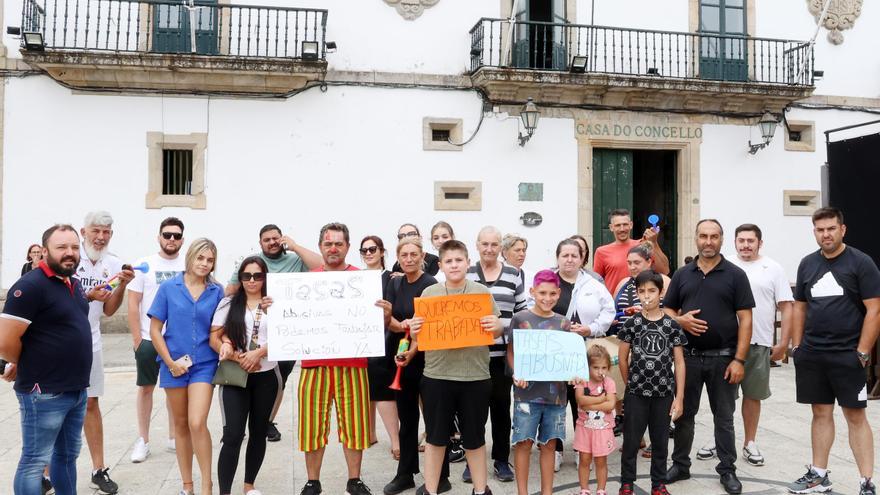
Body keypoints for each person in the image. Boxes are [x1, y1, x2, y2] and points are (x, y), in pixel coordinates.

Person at [787, 207, 880, 495]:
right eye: (820, 229)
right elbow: (800, 307)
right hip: (813, 354)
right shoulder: (807, 264)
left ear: (842, 229)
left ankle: (866, 482)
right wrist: (798, 345)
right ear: (815, 232)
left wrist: (863, 352)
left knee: (855, 416)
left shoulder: (861, 263)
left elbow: (874, 309)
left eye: (830, 228)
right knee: (820, 412)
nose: (825, 234)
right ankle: (818, 475)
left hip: (847, 354)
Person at [663, 219, 754, 495]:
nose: (708, 241)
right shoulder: (682, 274)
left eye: (714, 236)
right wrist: (681, 321)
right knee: (683, 415)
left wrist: (739, 360)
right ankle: (680, 464)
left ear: (722, 240)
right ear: (696, 238)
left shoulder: (735, 275)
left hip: (724, 359)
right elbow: (667, 311)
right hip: (687, 358)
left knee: (724, 418)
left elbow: (746, 319)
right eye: (703, 236)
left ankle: (727, 469)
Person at [298, 222, 388, 495]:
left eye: (339, 243)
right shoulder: (306, 281)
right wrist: (273, 307)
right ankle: (313, 481)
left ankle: (354, 480)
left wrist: (384, 315)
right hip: (315, 365)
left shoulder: (363, 281)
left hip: (353, 364)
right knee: (312, 425)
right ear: (320, 247)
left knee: (356, 425)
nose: (333, 248)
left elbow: (377, 324)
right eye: (328, 244)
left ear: (348, 247)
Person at [0, 225, 90, 495]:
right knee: (34, 462)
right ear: (45, 251)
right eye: (62, 247)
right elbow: (5, 341)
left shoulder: (72, 283)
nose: (70, 253)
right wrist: (23, 362)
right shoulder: (30, 286)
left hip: (75, 389)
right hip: (44, 392)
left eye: (74, 247)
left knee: (65, 457)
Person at [696, 224, 793, 466]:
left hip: (758, 342)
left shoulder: (773, 268)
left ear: (760, 243)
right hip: (726, 344)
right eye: (741, 240)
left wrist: (783, 343)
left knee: (752, 395)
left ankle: (750, 442)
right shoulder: (724, 265)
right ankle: (720, 440)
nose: (746, 245)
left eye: (751, 240)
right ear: (734, 242)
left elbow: (786, 306)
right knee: (721, 397)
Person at [412, 239, 503, 495]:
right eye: (448, 261)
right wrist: (414, 329)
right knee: (436, 438)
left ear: (467, 263)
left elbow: (497, 326)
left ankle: (480, 488)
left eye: (458, 260)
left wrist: (495, 325)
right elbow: (419, 336)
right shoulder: (430, 294)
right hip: (437, 375)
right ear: (440, 265)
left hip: (475, 376)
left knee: (474, 438)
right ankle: (430, 489)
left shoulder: (481, 292)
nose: (454, 265)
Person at [226, 224, 321, 442]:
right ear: (260, 243)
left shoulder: (296, 260)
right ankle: (236, 423)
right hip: (254, 332)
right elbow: (230, 291)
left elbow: (322, 266)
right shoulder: (252, 263)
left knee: (279, 380)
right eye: (267, 239)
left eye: (275, 238)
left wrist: (295, 246)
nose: (272, 242)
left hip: (286, 332)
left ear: (282, 239)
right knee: (247, 378)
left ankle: (267, 420)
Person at [149, 238, 224, 495]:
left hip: (204, 363)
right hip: (173, 365)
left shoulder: (217, 291)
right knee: (180, 425)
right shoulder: (169, 287)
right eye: (200, 258)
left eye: (210, 260)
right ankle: (187, 486)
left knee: (196, 422)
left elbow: (222, 327)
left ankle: (206, 485)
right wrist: (169, 362)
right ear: (190, 257)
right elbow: (155, 329)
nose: (204, 264)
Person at [382, 238, 450, 495]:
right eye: (404, 255)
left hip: (427, 360)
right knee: (407, 419)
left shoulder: (430, 285)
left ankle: (441, 477)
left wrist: (412, 349)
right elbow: (389, 319)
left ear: (422, 257)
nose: (408, 259)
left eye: (413, 254)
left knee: (434, 419)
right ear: (398, 257)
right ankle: (405, 474)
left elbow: (430, 325)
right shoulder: (394, 282)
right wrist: (401, 326)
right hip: (400, 359)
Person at [75, 211, 134, 495]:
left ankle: (99, 469)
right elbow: (58, 300)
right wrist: (87, 296)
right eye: (95, 231)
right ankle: (45, 473)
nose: (100, 237)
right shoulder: (71, 260)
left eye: (106, 232)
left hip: (92, 343)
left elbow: (109, 311)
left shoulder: (112, 263)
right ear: (83, 231)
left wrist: (121, 284)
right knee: (56, 407)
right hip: (60, 343)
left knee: (90, 404)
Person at [209, 256, 278, 495]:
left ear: (265, 278)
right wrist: (238, 357)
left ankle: (249, 485)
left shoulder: (274, 303)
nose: (252, 281)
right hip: (235, 377)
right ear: (240, 277)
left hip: (266, 375)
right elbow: (214, 338)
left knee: (259, 431)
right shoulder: (229, 303)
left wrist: (259, 353)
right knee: (233, 434)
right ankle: (225, 491)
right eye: (247, 276)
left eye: (258, 276)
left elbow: (289, 336)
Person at [464, 226, 527, 483]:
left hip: (502, 356)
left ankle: (501, 460)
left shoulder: (514, 274)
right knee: (473, 412)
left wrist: (506, 330)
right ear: (477, 245)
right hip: (471, 356)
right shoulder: (466, 273)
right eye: (484, 244)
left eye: (494, 244)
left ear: (501, 247)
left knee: (501, 410)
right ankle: (472, 460)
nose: (489, 249)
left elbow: (523, 315)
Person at [617, 270, 687, 495]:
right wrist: (630, 384)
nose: (647, 295)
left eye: (652, 291)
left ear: (661, 292)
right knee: (631, 441)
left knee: (660, 443)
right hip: (636, 394)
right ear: (637, 293)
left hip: (664, 394)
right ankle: (626, 482)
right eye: (642, 291)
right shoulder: (631, 323)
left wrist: (680, 398)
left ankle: (659, 483)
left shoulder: (672, 325)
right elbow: (622, 357)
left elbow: (679, 362)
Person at [552, 238, 616, 469]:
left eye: (574, 256)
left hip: (584, 351)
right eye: (564, 255)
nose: (569, 260)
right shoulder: (548, 281)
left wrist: (592, 328)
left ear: (581, 258)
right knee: (555, 401)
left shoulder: (593, 284)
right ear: (557, 257)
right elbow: (534, 305)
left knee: (580, 399)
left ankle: (582, 448)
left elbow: (609, 311)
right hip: (554, 353)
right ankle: (556, 448)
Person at [507, 270, 571, 495]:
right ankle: (522, 492)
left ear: (559, 293)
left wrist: (573, 372)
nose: (547, 298)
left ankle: (547, 492)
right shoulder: (520, 319)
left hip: (556, 396)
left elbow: (566, 358)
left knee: (550, 444)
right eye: (542, 292)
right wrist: (516, 373)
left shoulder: (564, 323)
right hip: (526, 395)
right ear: (532, 292)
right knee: (523, 443)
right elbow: (512, 352)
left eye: (552, 293)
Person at [127, 217, 186, 463]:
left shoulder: (188, 263)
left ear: (182, 239)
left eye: (176, 235)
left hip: (178, 339)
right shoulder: (144, 265)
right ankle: (143, 440)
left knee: (176, 388)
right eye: (166, 235)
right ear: (159, 237)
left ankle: (174, 436)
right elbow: (133, 302)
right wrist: (136, 339)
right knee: (146, 388)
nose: (171, 239)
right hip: (148, 337)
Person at [612, 244, 672, 444]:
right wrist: (622, 315)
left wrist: (647, 312)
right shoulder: (623, 284)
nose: (632, 267)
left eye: (637, 262)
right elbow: (613, 312)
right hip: (626, 343)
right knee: (630, 391)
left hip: (654, 347)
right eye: (629, 263)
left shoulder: (663, 282)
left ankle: (656, 439)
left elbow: (673, 315)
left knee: (653, 393)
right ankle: (636, 435)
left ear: (649, 262)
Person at [360, 235, 401, 461]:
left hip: (385, 339)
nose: (368, 253)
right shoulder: (355, 276)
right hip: (359, 338)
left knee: (383, 390)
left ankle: (395, 441)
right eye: (364, 250)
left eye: (372, 249)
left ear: (382, 251)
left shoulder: (392, 278)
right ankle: (370, 433)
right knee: (366, 387)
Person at [573, 346, 617, 495]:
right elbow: (580, 400)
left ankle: (601, 490)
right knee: (584, 459)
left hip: (603, 429)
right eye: (596, 367)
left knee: (600, 460)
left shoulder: (609, 383)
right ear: (587, 367)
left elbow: (610, 404)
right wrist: (600, 399)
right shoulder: (582, 381)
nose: (600, 372)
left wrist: (590, 403)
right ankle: (584, 489)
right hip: (584, 428)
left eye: (604, 367)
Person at [593, 209, 670, 294]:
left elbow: (665, 270)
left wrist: (654, 242)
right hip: (616, 303)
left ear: (631, 225)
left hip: (643, 301)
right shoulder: (601, 252)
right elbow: (596, 282)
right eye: (618, 225)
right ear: (611, 227)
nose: (622, 229)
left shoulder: (643, 245)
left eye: (625, 224)